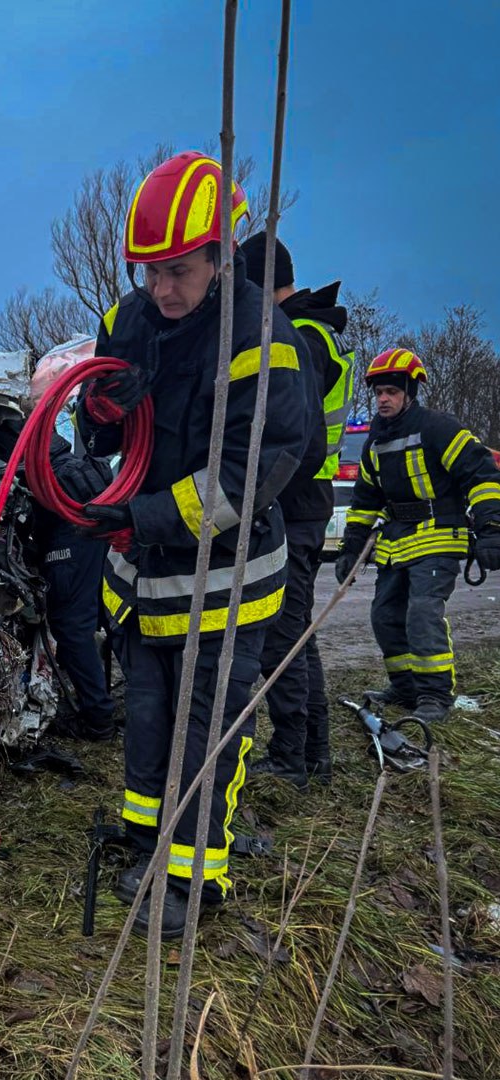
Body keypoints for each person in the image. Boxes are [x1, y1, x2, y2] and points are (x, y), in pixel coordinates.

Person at [76, 151, 313, 937]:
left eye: (178, 270)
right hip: (144, 580)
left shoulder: (262, 338)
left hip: (224, 584)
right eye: (150, 271)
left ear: (222, 256)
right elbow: (98, 427)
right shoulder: (129, 320)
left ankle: (193, 877)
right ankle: (147, 837)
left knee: (207, 730)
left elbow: (248, 474)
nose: (162, 290)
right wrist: (98, 413)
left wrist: (141, 518)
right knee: (147, 717)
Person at [239, 234, 354, 788]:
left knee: (282, 636)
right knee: (295, 633)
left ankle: (294, 757)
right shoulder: (314, 331)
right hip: (306, 503)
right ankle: (312, 754)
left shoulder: (299, 337)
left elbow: (291, 435)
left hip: (295, 504)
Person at [336, 349, 500, 724]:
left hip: (439, 537)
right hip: (396, 543)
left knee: (422, 613)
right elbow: (365, 500)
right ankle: (406, 688)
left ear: (410, 392)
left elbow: (481, 474)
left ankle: (435, 695)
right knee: (384, 616)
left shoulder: (439, 428)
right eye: (379, 392)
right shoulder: (375, 442)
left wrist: (491, 527)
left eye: (391, 392)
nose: (383, 399)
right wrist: (351, 547)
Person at [30, 342, 117, 742]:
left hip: (72, 536)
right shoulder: (56, 438)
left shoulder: (40, 444)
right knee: (107, 619)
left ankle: (98, 720)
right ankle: (123, 705)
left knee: (72, 625)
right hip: (91, 534)